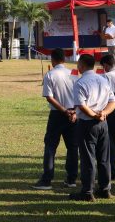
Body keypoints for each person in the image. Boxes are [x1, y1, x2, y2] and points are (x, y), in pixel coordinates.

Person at [68, 54, 115, 201]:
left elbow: (82, 105)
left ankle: (87, 191)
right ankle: (105, 188)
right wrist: (104, 113)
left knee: (88, 158)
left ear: (81, 65)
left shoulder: (80, 82)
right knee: (104, 157)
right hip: (103, 122)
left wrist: (95, 115)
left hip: (87, 123)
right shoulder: (103, 80)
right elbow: (112, 102)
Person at [33, 48, 78, 190]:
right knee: (72, 147)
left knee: (51, 146)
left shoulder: (50, 74)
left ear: (53, 59)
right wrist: (73, 111)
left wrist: (64, 110)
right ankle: (71, 179)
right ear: (64, 59)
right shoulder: (74, 73)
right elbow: (80, 95)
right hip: (73, 113)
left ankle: (47, 180)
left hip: (58, 114)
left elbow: (49, 97)